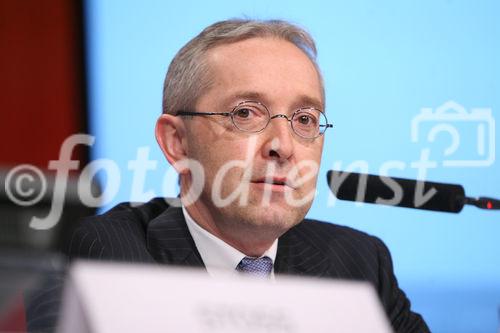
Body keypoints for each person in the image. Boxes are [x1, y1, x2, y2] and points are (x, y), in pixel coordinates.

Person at [29, 19, 429, 332]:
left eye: (305, 119)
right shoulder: (112, 254)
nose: (283, 146)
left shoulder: (359, 263)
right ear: (177, 143)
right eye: (245, 113)